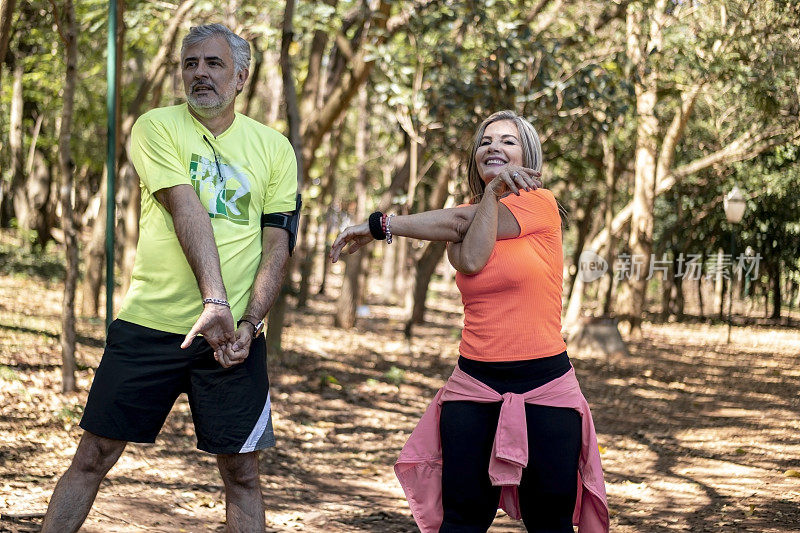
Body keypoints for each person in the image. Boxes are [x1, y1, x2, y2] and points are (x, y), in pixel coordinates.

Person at [42, 24, 298, 532]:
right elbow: (187, 209)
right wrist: (215, 300)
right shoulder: (157, 126)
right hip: (151, 325)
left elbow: (278, 243)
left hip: (233, 339)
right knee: (93, 454)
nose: (199, 73)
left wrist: (248, 323)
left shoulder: (275, 148)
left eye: (213, 64)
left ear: (241, 76)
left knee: (242, 473)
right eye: (190, 63)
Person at [330, 110, 609, 532]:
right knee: (461, 519)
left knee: (550, 521)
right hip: (474, 386)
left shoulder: (541, 203)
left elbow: (461, 223)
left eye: (507, 141)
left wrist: (378, 225)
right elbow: (474, 254)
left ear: (527, 157)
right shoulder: (462, 222)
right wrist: (490, 198)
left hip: (547, 386)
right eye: (485, 141)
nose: (493, 146)